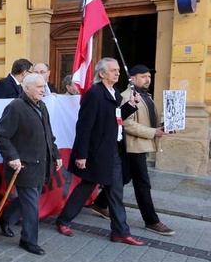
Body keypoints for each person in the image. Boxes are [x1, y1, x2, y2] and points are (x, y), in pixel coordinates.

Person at [55, 58, 145, 246]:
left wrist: (130, 105)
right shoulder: (94, 94)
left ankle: (120, 232)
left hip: (114, 150)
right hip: (97, 152)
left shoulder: (115, 93)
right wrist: (81, 154)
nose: (118, 73)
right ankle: (63, 220)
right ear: (102, 74)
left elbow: (115, 117)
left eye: (118, 70)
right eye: (113, 70)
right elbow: (84, 126)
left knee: (115, 192)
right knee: (85, 188)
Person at [89, 65, 175, 236]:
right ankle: (151, 221)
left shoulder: (146, 97)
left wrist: (163, 128)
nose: (147, 79)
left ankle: (99, 203)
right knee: (142, 183)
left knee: (124, 177)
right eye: (143, 76)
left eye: (148, 76)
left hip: (141, 145)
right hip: (132, 146)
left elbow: (147, 121)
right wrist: (153, 132)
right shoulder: (126, 97)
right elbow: (126, 123)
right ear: (132, 79)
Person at [0, 73, 62, 255]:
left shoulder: (42, 106)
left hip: (42, 164)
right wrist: (12, 156)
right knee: (32, 205)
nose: (42, 90)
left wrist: (56, 154)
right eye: (38, 86)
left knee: (29, 198)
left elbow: (49, 134)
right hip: (24, 166)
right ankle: (29, 240)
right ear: (27, 88)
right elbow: (0, 135)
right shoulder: (15, 107)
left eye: (43, 86)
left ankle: (5, 219)